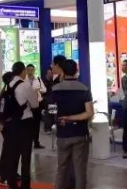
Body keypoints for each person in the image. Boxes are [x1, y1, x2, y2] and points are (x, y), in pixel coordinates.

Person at [52, 59, 93, 189]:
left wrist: (62, 119)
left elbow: (52, 111)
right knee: (80, 169)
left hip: (63, 133)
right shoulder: (84, 89)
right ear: (77, 71)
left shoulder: (54, 89)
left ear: (63, 72)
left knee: (62, 168)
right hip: (80, 133)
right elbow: (89, 113)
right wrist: (72, 118)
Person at [6, 62, 38, 189]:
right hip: (25, 123)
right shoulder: (25, 85)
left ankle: (12, 183)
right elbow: (35, 104)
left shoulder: (8, 85)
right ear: (23, 71)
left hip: (11, 123)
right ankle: (25, 185)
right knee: (25, 155)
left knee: (13, 154)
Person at [26, 64, 46, 149]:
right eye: (28, 70)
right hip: (27, 105)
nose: (30, 71)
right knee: (28, 124)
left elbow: (44, 89)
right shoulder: (24, 80)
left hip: (37, 104)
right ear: (26, 70)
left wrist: (38, 90)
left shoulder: (38, 79)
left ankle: (36, 142)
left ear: (34, 70)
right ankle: (27, 142)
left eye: (32, 69)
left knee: (36, 124)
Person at [43, 68, 55, 134]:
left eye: (51, 73)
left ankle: (51, 127)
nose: (50, 74)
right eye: (49, 73)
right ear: (46, 74)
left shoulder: (52, 81)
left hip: (52, 100)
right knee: (48, 115)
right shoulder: (43, 82)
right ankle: (47, 128)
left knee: (52, 114)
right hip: (47, 100)